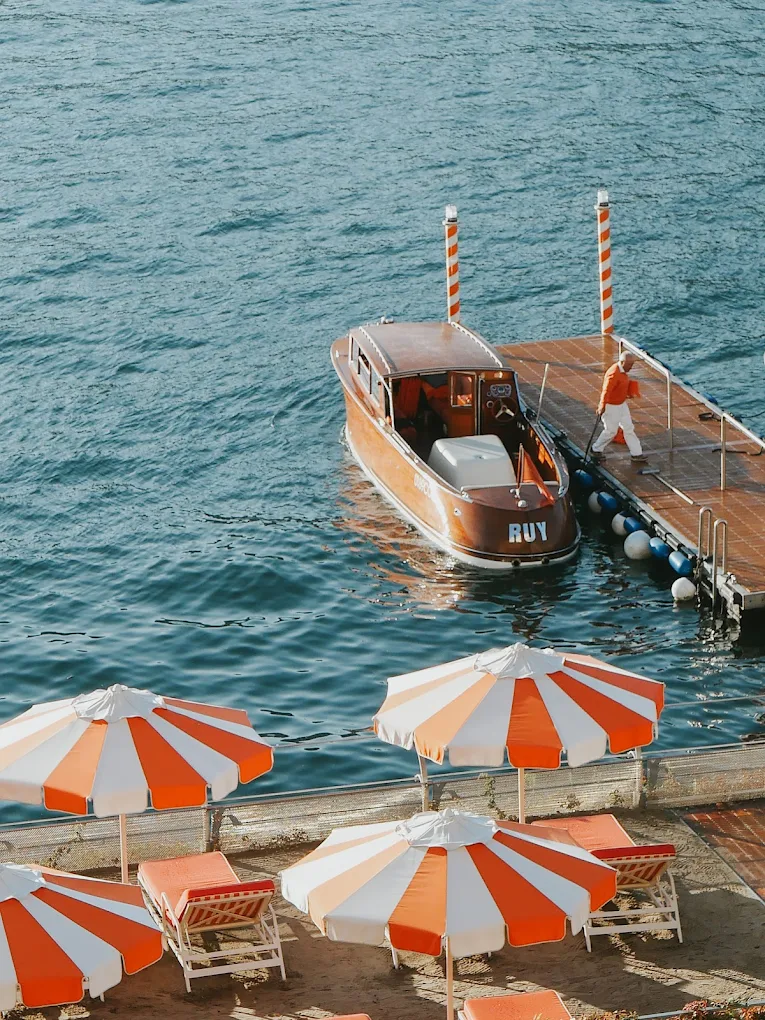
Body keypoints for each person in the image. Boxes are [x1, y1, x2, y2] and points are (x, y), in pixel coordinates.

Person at [591, 351, 647, 462]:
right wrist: (602, 406)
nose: (631, 368)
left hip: (621, 404)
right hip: (611, 406)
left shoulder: (622, 371)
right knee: (611, 431)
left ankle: (637, 454)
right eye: (629, 365)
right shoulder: (613, 373)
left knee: (628, 428)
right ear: (622, 362)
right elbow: (606, 391)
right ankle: (596, 449)